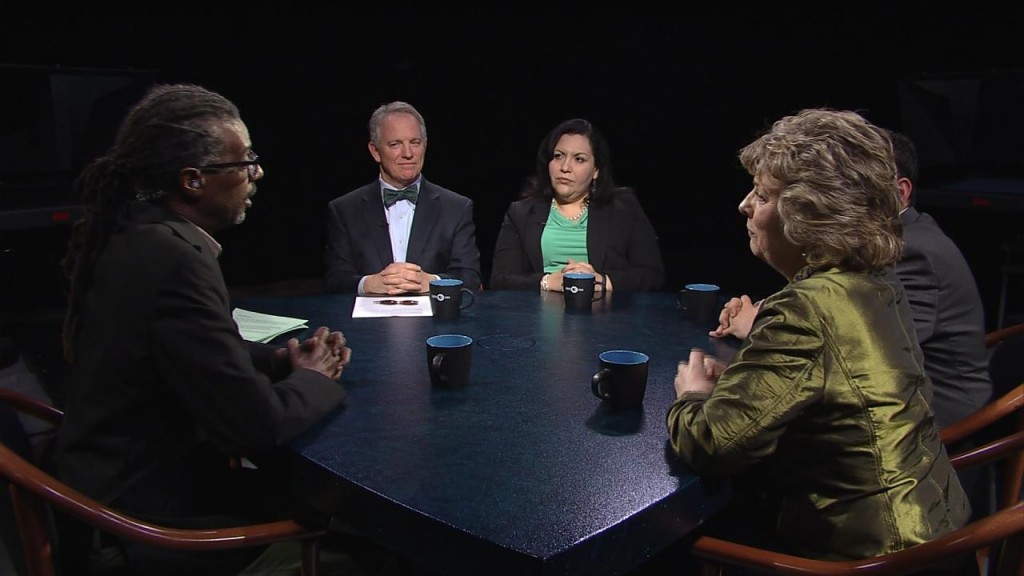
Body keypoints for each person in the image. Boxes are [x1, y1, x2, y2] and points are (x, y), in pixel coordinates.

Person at [55, 84, 351, 575]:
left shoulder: (136, 234)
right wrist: (315, 379)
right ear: (193, 180)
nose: (257, 173)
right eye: (245, 161)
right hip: (146, 525)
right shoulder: (174, 260)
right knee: (359, 536)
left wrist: (278, 361)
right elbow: (255, 428)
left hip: (111, 487)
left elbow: (184, 352)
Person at [668, 109, 971, 572]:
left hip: (874, 560)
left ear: (809, 215)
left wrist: (691, 397)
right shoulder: (876, 282)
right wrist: (751, 380)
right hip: (941, 541)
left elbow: (712, 445)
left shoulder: (805, 310)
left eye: (763, 195)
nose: (744, 206)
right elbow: (848, 387)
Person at [490, 118, 664, 292]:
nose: (565, 167)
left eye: (579, 159)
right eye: (558, 156)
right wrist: (548, 282)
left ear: (596, 170)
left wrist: (601, 281)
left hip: (607, 313)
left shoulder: (623, 208)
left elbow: (652, 276)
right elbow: (500, 280)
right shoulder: (521, 213)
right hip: (538, 313)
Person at [324, 101, 481, 294]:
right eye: (395, 144)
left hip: (435, 321)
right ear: (375, 151)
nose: (408, 154)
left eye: (415, 143)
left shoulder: (457, 207)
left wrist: (431, 281)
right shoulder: (344, 210)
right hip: (367, 322)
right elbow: (334, 280)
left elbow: (471, 278)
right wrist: (368, 284)